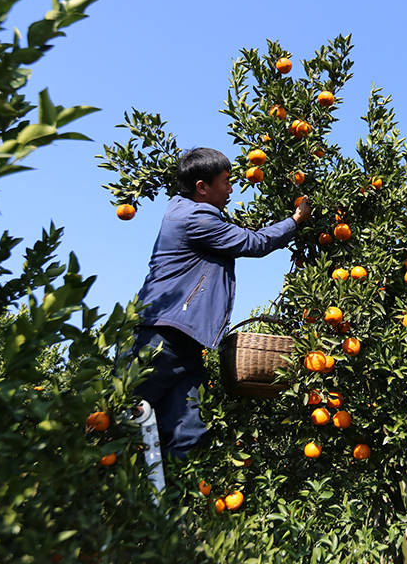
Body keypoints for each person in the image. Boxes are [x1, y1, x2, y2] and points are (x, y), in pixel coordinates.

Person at [130, 147, 311, 460]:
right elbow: (253, 242)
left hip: (186, 344)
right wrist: (294, 222)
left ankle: (168, 503)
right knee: (127, 417)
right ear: (202, 187)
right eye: (225, 181)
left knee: (188, 435)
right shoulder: (194, 217)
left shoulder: (192, 213)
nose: (231, 188)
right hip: (162, 337)